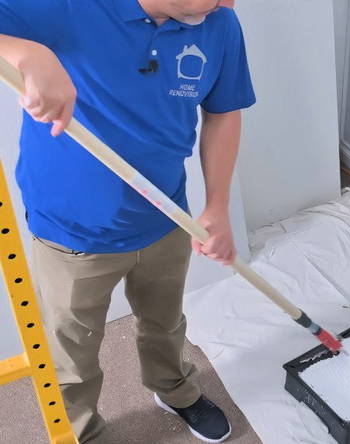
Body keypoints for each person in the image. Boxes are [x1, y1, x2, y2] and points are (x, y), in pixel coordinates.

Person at [0, 0, 255, 442]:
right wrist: (24, 52)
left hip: (167, 217)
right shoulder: (65, 7)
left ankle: (173, 388)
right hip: (73, 235)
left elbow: (223, 111)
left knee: (165, 321)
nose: (229, 1)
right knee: (71, 352)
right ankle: (80, 430)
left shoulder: (220, 24)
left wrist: (216, 205)